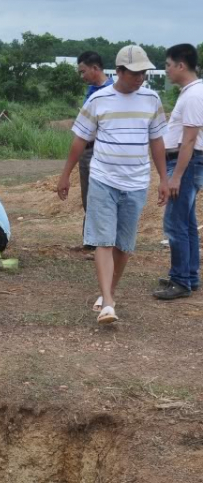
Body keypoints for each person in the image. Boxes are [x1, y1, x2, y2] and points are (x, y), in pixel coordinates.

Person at [57, 45, 168, 325]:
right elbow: (79, 141)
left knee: (124, 245)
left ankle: (110, 293)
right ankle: (107, 302)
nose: (140, 77)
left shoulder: (152, 100)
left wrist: (164, 179)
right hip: (103, 179)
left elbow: (157, 142)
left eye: (143, 73)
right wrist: (65, 175)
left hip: (137, 182)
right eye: (134, 73)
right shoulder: (99, 100)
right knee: (104, 240)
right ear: (118, 71)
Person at [153, 44, 203, 300]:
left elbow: (189, 141)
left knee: (175, 224)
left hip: (187, 162)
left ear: (181, 65)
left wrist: (176, 176)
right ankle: (189, 275)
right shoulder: (191, 92)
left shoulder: (194, 95)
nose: (167, 70)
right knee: (186, 222)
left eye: (168, 65)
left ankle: (181, 280)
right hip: (188, 162)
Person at [76, 52, 114, 250]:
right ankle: (90, 239)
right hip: (86, 149)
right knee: (88, 195)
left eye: (83, 71)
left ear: (95, 68)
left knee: (102, 195)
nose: (81, 76)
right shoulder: (91, 90)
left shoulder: (112, 91)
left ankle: (102, 241)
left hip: (102, 150)